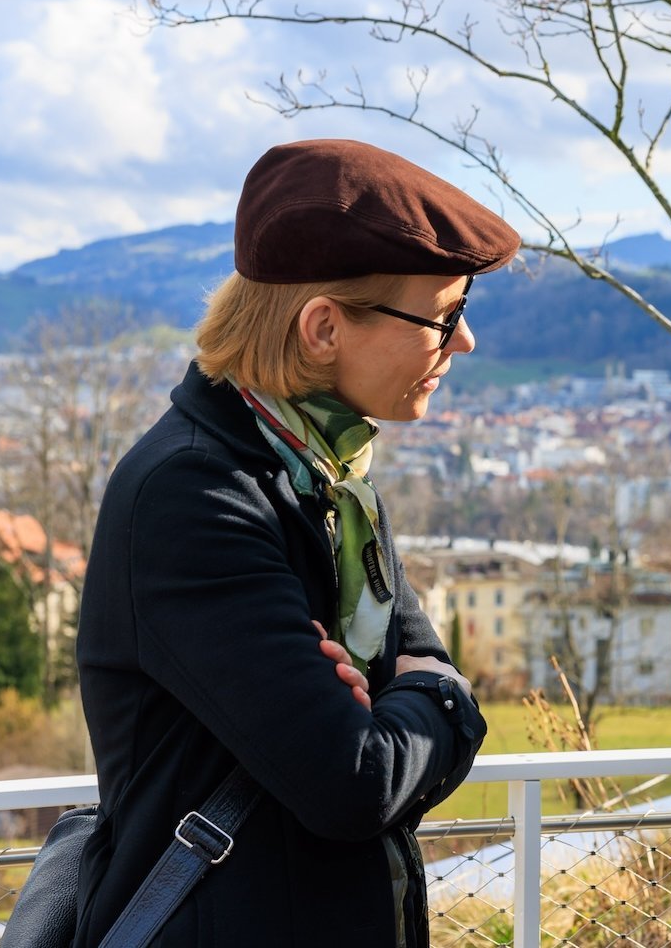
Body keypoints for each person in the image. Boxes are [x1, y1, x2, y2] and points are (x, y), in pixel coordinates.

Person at [75, 138, 514, 946]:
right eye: (445, 316)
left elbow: (413, 690)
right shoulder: (194, 497)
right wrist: (435, 698)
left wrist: (411, 698)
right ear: (323, 328)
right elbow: (358, 782)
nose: (464, 342)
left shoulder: (328, 476)